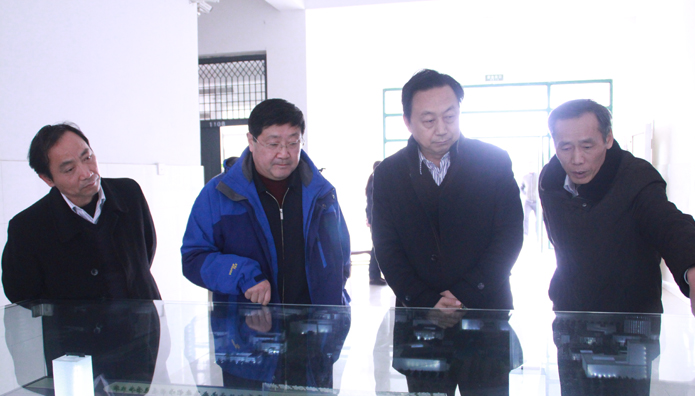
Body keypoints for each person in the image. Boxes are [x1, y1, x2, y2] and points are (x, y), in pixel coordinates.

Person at [372, 69, 524, 309]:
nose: (442, 129)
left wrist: (465, 294)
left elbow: (509, 234)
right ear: (407, 122)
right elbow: (386, 246)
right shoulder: (388, 174)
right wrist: (425, 301)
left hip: (486, 307)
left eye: (450, 117)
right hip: (418, 313)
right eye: (429, 121)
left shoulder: (494, 161)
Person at [540, 99, 695, 320]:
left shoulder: (637, 177)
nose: (577, 159)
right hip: (569, 313)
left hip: (632, 320)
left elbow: (670, 224)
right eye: (565, 148)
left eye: (587, 146)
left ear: (608, 139)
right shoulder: (550, 181)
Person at [181, 98, 351, 305]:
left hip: (314, 322)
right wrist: (241, 273)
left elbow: (342, 255)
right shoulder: (219, 194)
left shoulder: (321, 193)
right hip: (248, 323)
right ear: (251, 141)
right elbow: (193, 257)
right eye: (273, 144)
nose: (284, 153)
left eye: (293, 143)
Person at [1, 123, 161, 303]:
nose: (86, 173)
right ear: (47, 179)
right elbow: (21, 293)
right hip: (75, 322)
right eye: (69, 169)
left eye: (87, 157)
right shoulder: (27, 226)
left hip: (142, 317)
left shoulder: (128, 192)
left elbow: (146, 252)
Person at [365, 161, 386, 286]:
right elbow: (373, 203)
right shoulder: (375, 182)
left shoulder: (373, 181)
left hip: (375, 219)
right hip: (377, 219)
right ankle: (374, 276)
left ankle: (375, 275)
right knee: (377, 247)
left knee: (377, 246)